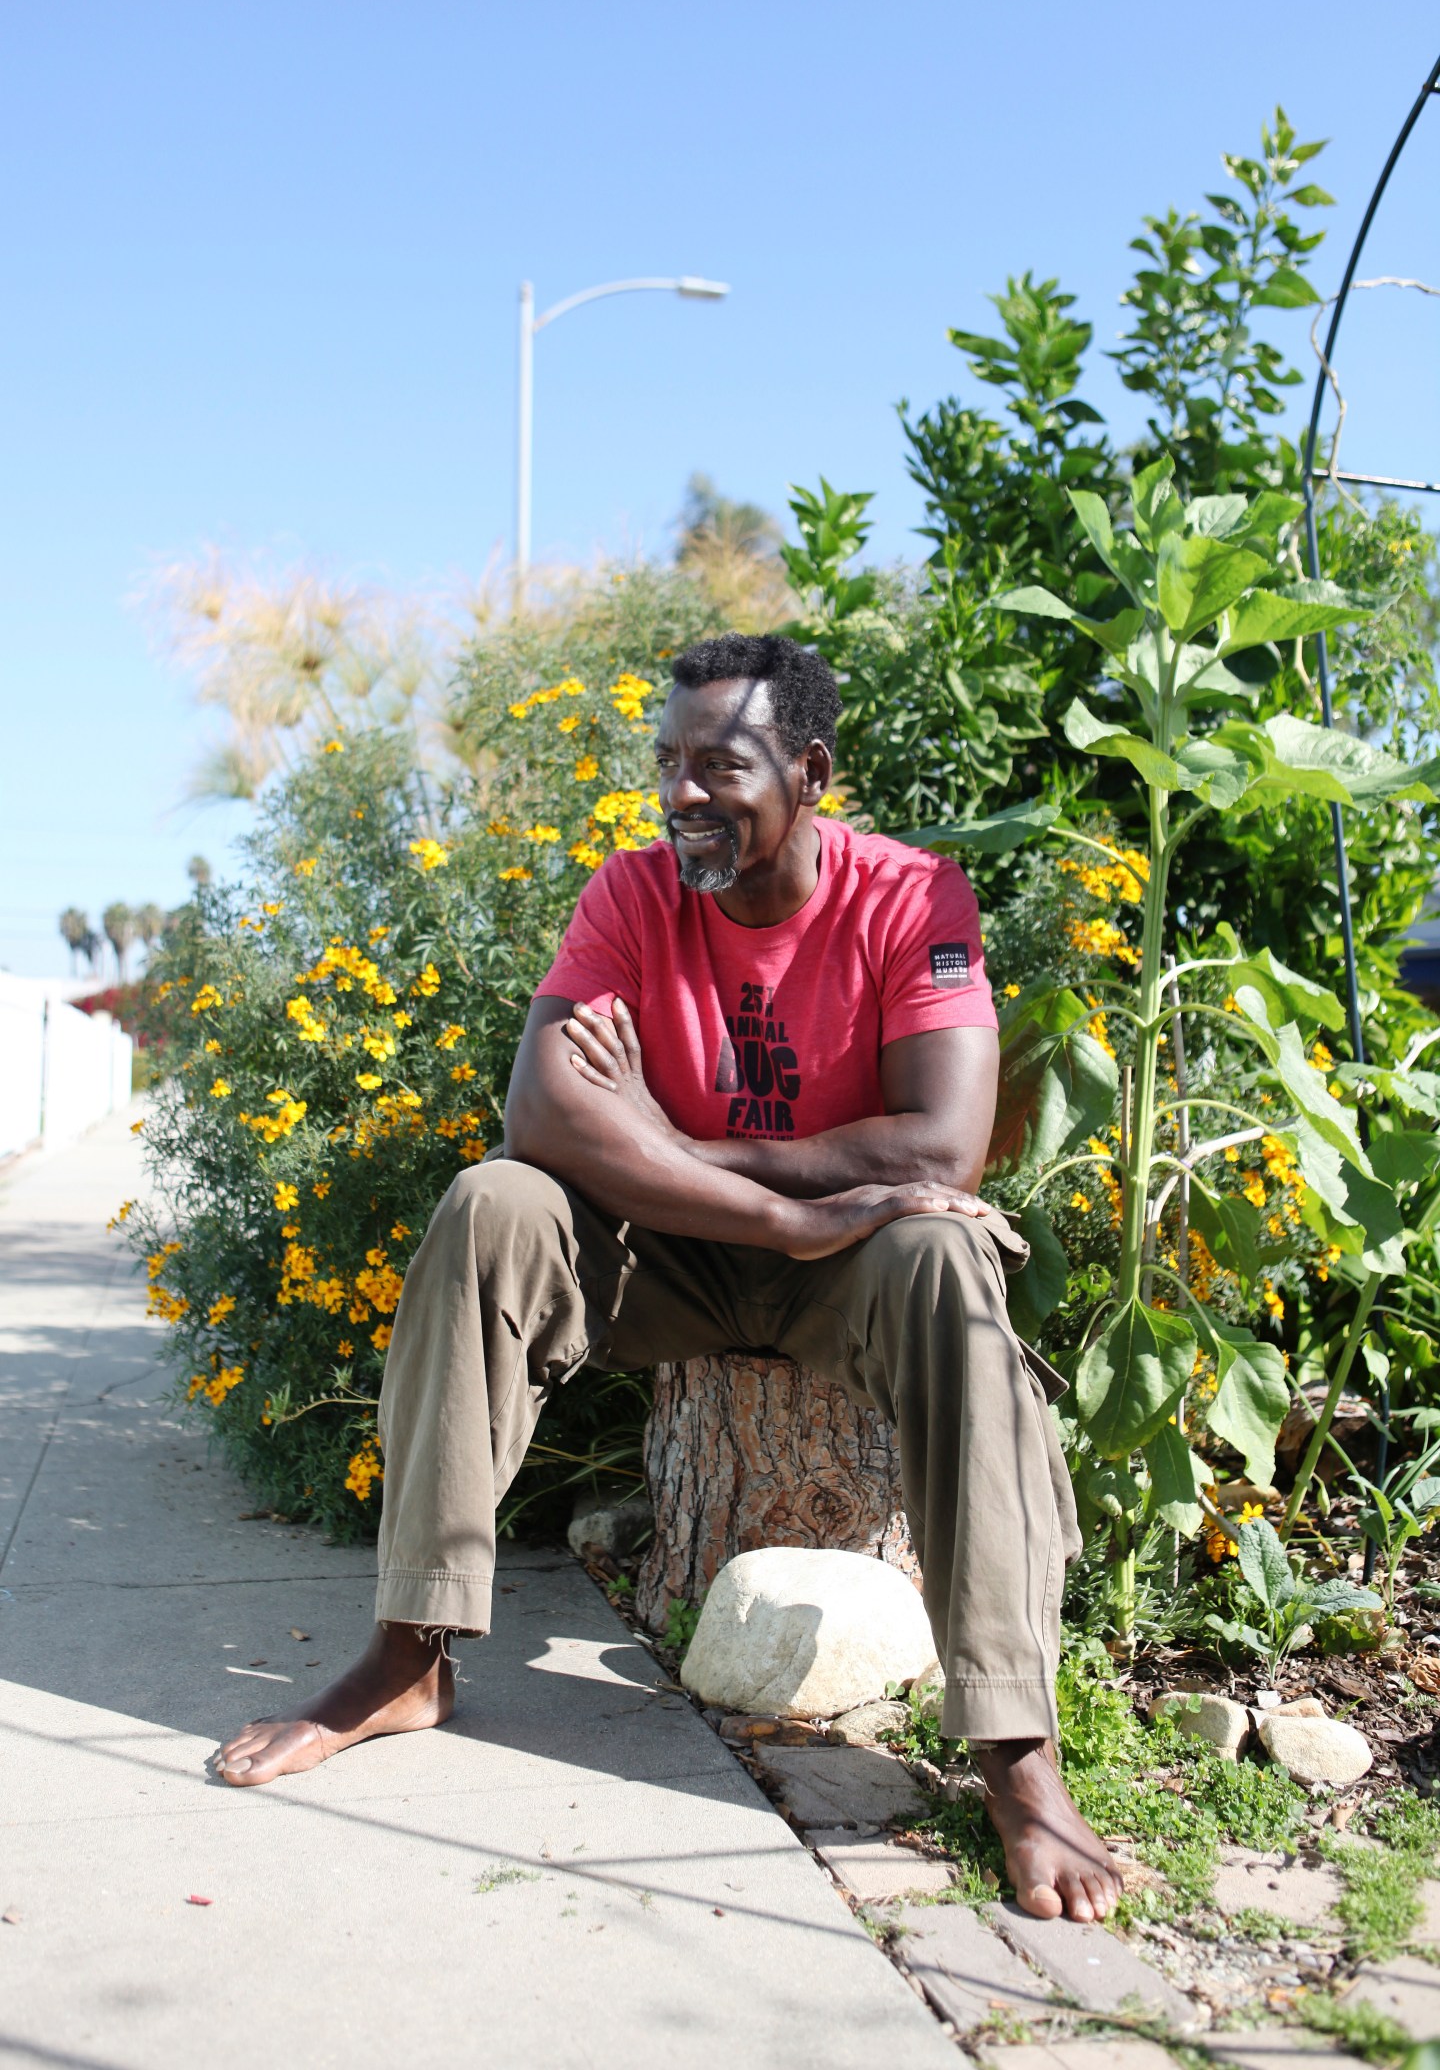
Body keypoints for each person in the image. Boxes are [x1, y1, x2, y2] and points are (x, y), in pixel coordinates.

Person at [216, 633, 1123, 1925]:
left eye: (721, 764)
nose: (682, 793)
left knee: (941, 1249)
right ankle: (409, 1653)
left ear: (810, 772)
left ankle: (1016, 1750)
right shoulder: (633, 894)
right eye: (668, 763)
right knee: (491, 1204)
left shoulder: (913, 895)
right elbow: (544, 1119)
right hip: (669, 1257)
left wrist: (668, 1140)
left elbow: (939, 1149)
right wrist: (771, 1209)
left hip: (856, 1261)